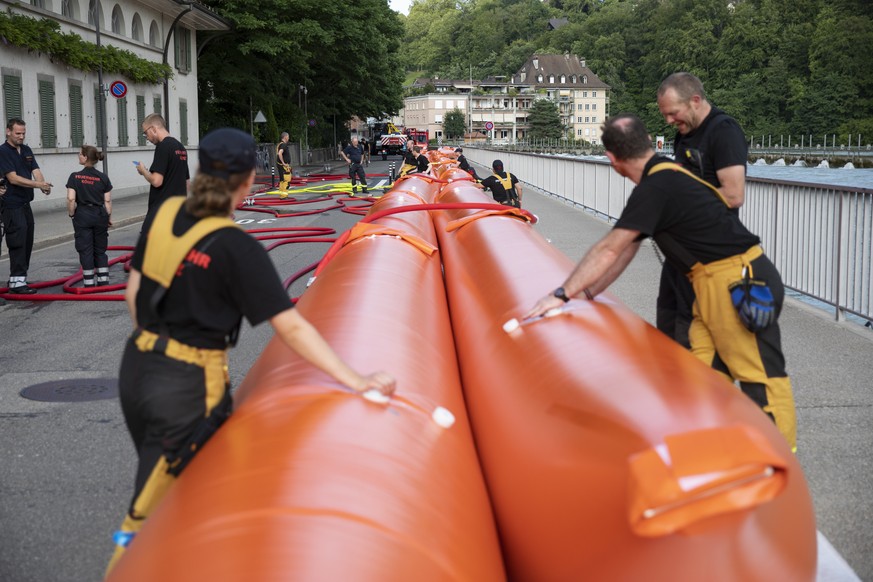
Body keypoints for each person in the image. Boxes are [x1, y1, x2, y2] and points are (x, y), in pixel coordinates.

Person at [106, 128, 395, 575]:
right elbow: (291, 327)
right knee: (149, 511)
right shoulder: (236, 247)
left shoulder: (166, 215)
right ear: (247, 182)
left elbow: (134, 293)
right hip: (186, 386)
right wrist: (356, 379)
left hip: (138, 367)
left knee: (172, 485)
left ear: (201, 172)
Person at [525, 114, 796, 451]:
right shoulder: (664, 176)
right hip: (708, 283)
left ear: (611, 158)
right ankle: (713, 451)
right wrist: (589, 292)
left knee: (758, 373)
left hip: (737, 280)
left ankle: (780, 458)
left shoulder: (658, 186)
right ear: (648, 142)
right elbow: (626, 247)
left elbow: (610, 248)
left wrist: (561, 294)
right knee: (700, 371)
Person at [655, 72, 748, 348]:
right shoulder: (683, 135)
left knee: (693, 336)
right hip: (679, 256)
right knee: (667, 325)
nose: (669, 121)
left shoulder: (724, 131)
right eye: (665, 115)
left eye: (673, 113)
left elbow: (733, 195)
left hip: (710, 256)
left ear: (695, 100)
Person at [0, 118, 52, 294]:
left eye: (23, 133)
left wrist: (43, 185)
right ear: (8, 131)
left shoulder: (27, 150)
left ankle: (19, 278)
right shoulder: (3, 152)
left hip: (25, 203)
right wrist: (38, 185)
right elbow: (13, 178)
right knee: (17, 241)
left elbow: (35, 170)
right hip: (11, 204)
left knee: (27, 240)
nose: (21, 136)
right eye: (18, 133)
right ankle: (17, 281)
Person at [66, 145, 112, 287]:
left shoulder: (74, 177)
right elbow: (107, 201)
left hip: (83, 215)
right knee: (100, 249)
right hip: (100, 215)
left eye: (80, 154)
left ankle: (89, 282)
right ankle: (103, 280)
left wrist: (71, 214)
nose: (78, 156)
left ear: (86, 157)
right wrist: (108, 217)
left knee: (85, 250)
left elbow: (71, 199)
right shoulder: (103, 177)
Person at [135, 113, 189, 229]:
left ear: (153, 129)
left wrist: (143, 171)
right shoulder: (181, 147)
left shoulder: (163, 146)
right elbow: (187, 183)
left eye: (145, 133)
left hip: (161, 212)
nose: (146, 138)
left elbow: (156, 181)